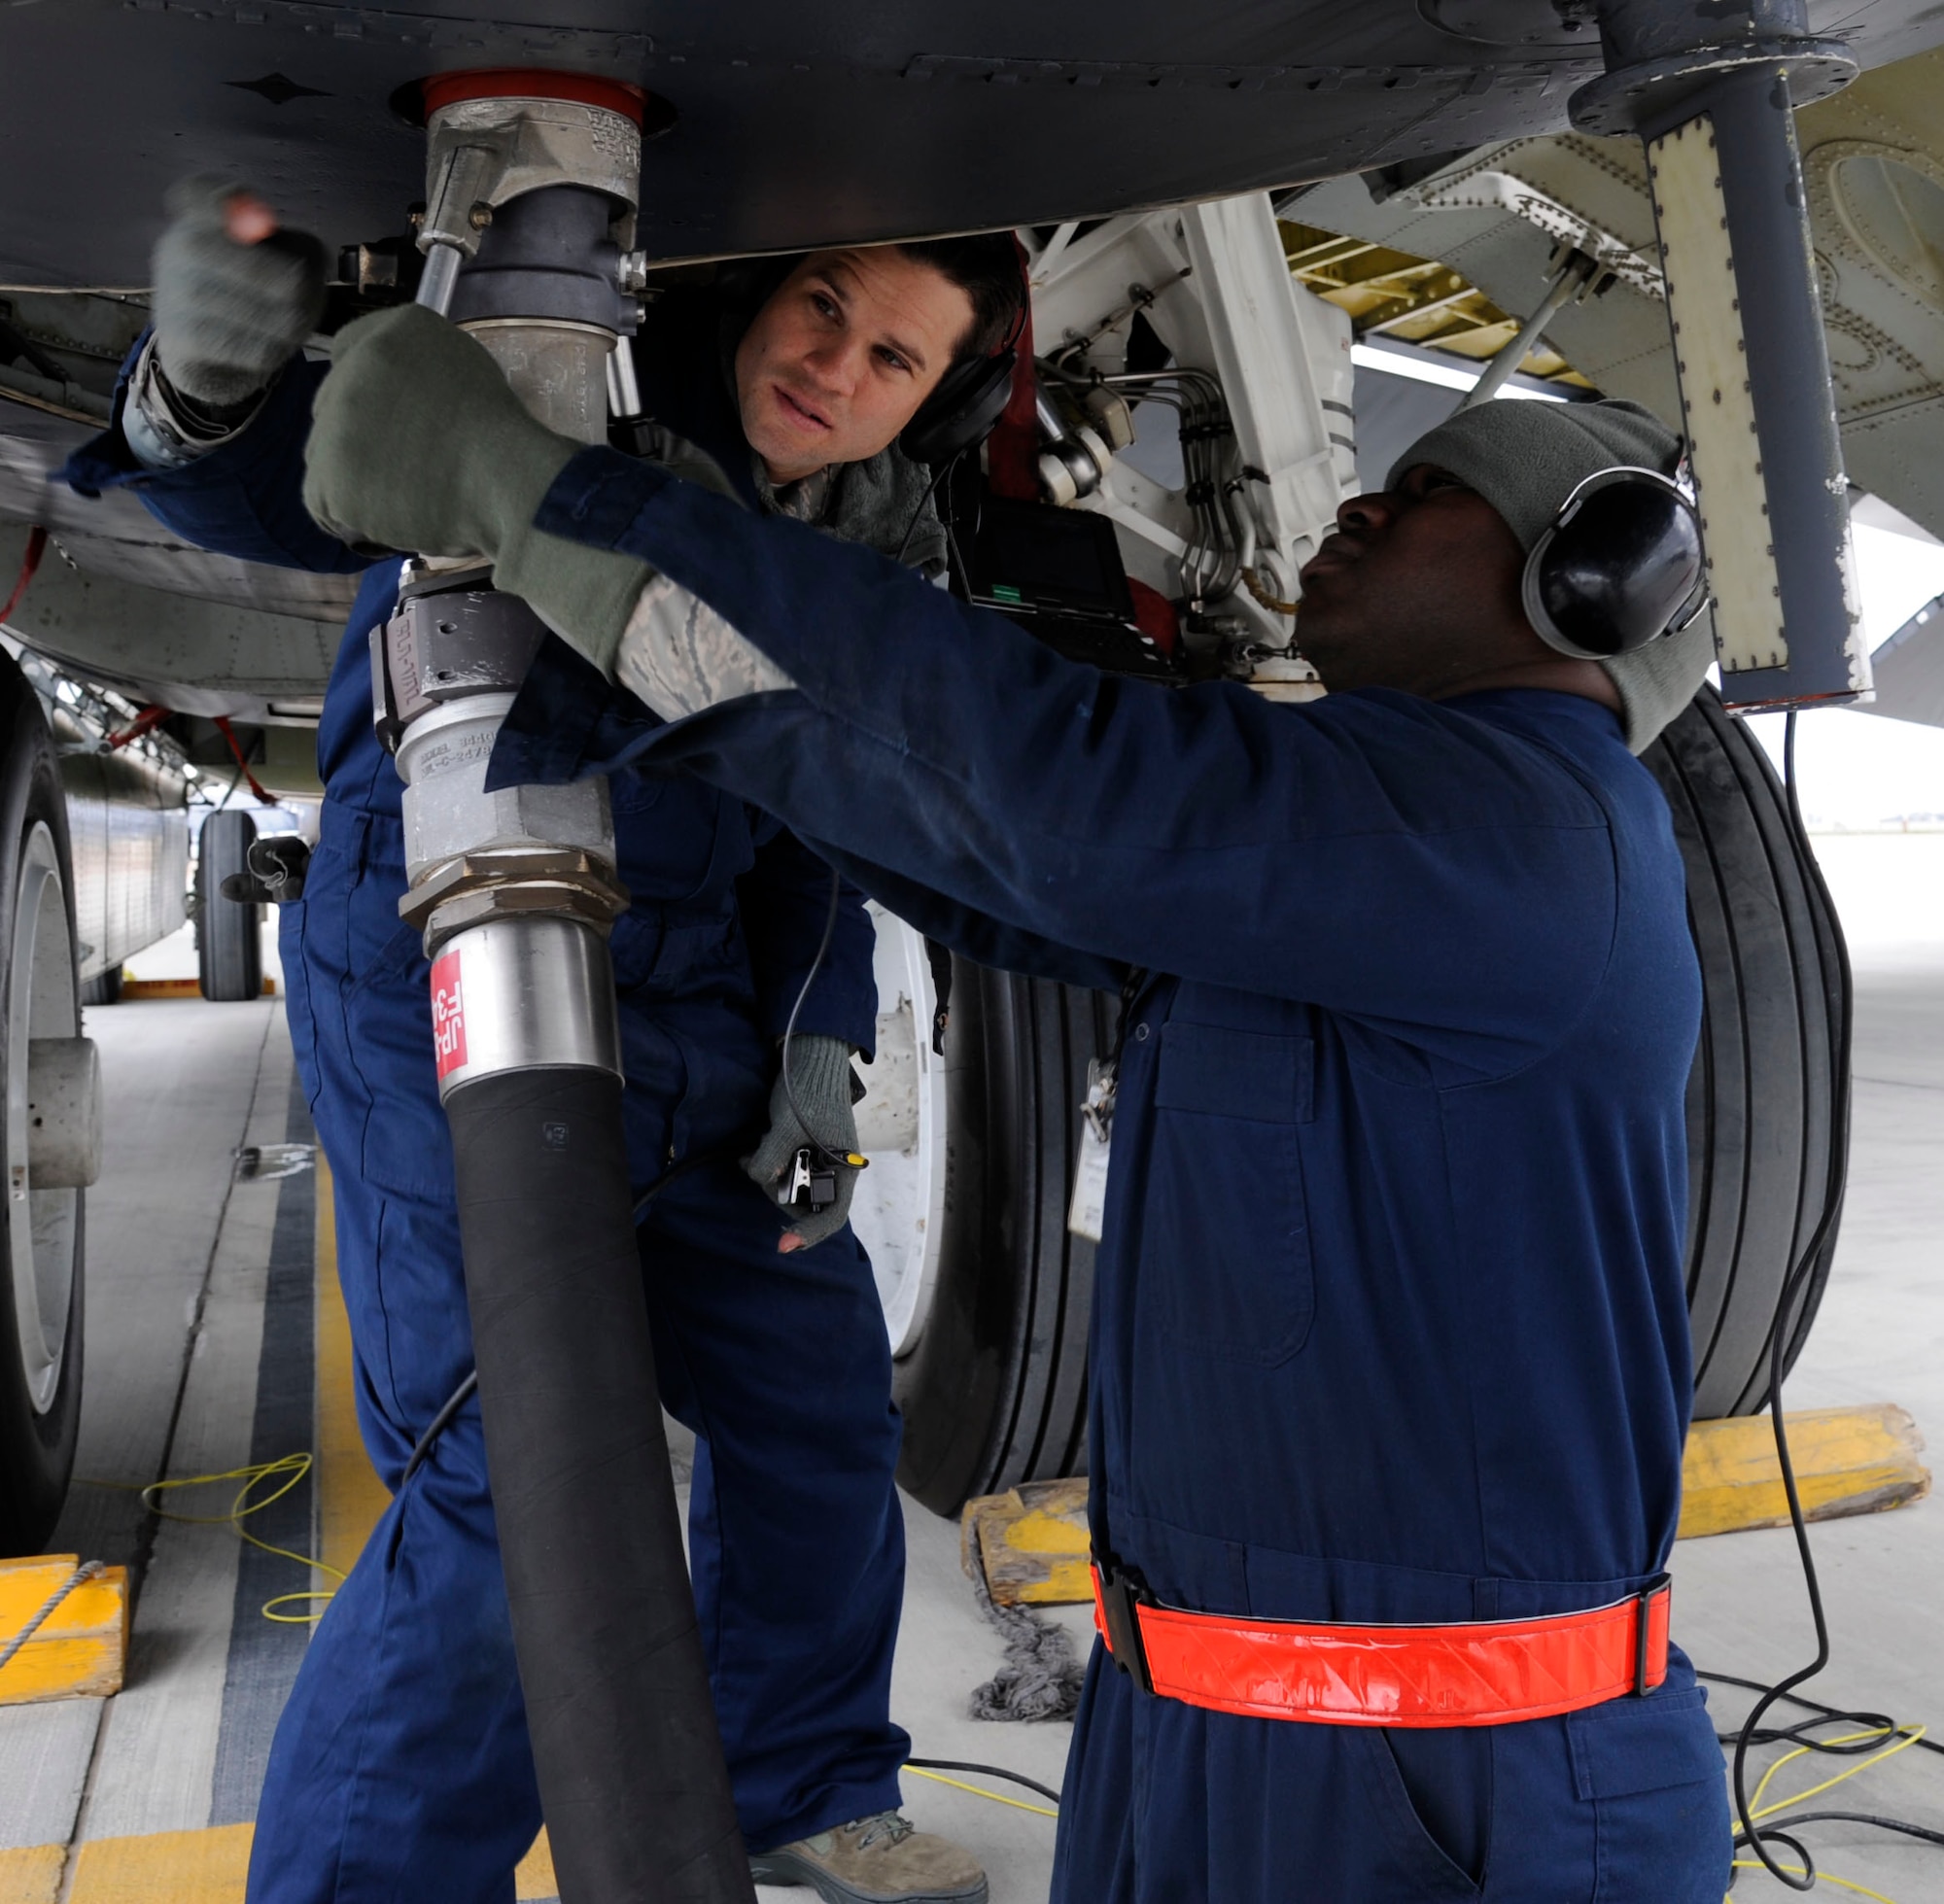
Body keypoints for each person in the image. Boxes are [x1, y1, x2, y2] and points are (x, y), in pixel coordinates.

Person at [296, 296, 1738, 1902]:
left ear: (1591, 577)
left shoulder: (1516, 835)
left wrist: (532, 489)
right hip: (1221, 1735)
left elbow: (1047, 785)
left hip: (1438, 1803)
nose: (1359, 507)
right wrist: (631, 632)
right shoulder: (1375, 860)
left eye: (1424, 497)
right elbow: (986, 852)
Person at [62, 182, 1021, 1904]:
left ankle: (797, 1778)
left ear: (927, 400)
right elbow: (325, 472)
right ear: (754, 289)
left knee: (813, 1415)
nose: (834, 368)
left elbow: (824, 833)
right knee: (506, 1485)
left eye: (892, 357)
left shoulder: (861, 545)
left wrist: (816, 1050)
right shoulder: (563, 392)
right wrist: (198, 395)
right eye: (821, 305)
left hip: (711, 998)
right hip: (452, 961)